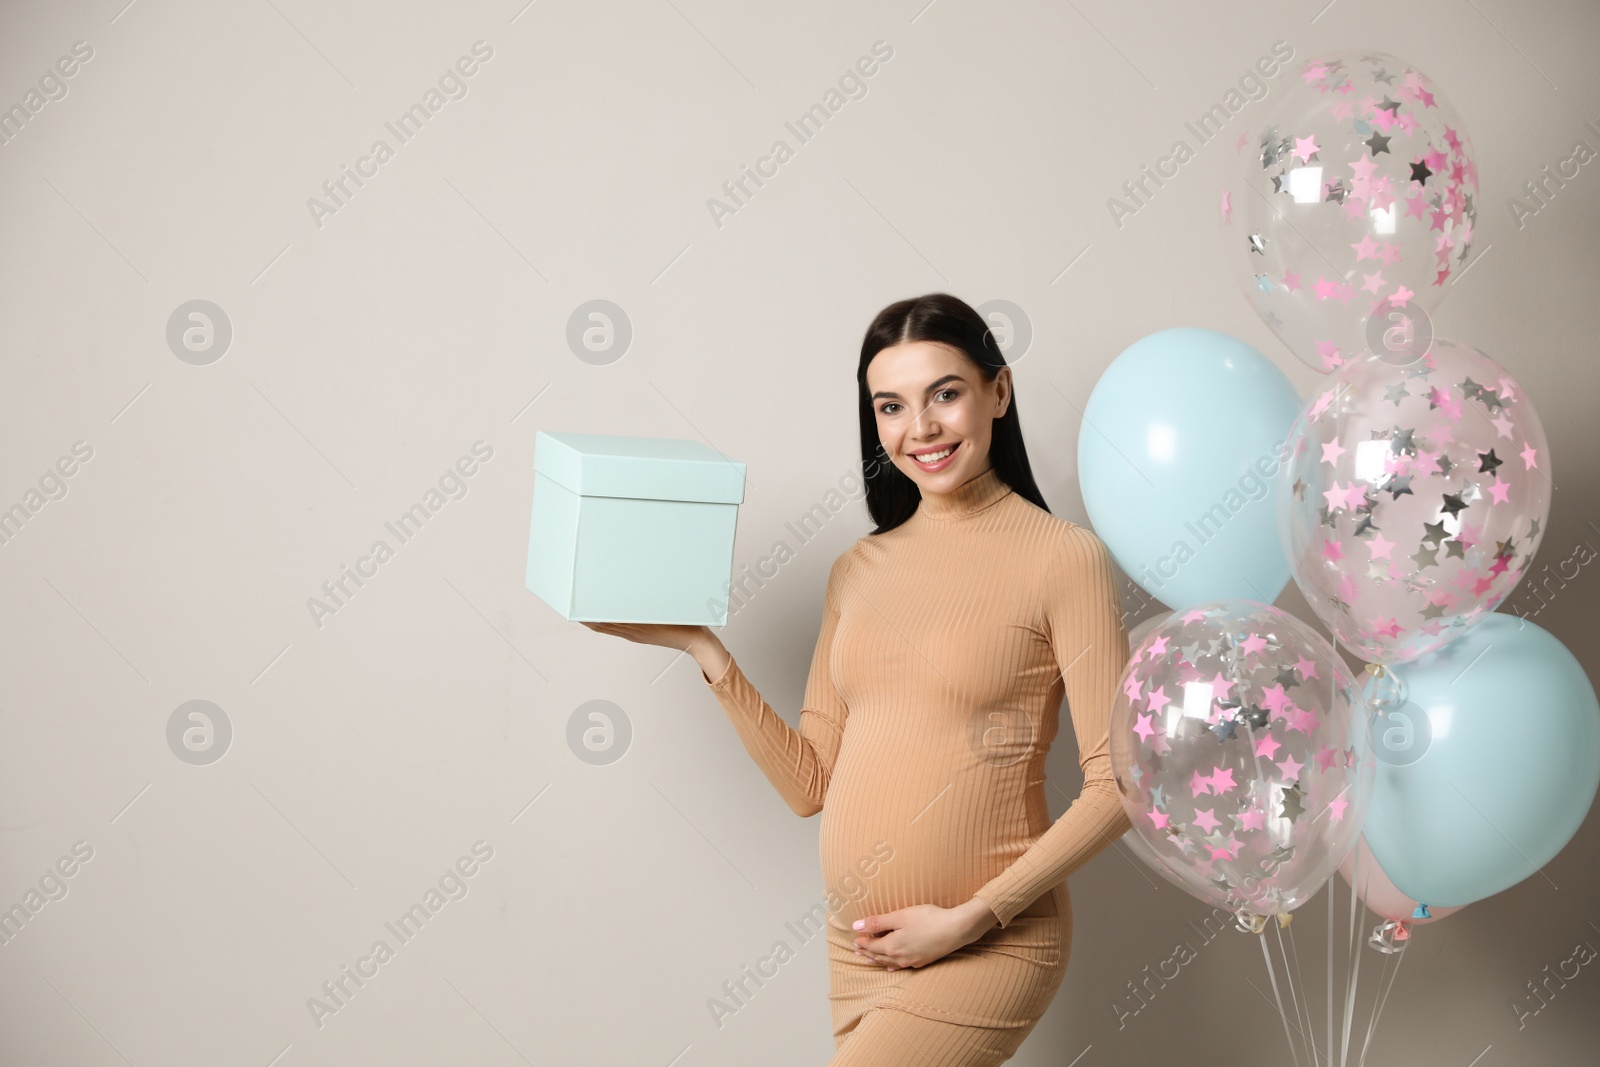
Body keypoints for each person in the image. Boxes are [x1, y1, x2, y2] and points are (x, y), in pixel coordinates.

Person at [583, 292, 1131, 1065]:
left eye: (945, 393)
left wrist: (973, 916)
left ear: (997, 392)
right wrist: (704, 649)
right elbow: (811, 781)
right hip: (858, 951)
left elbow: (1120, 783)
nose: (923, 428)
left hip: (988, 943)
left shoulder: (1062, 558)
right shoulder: (859, 570)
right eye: (892, 406)